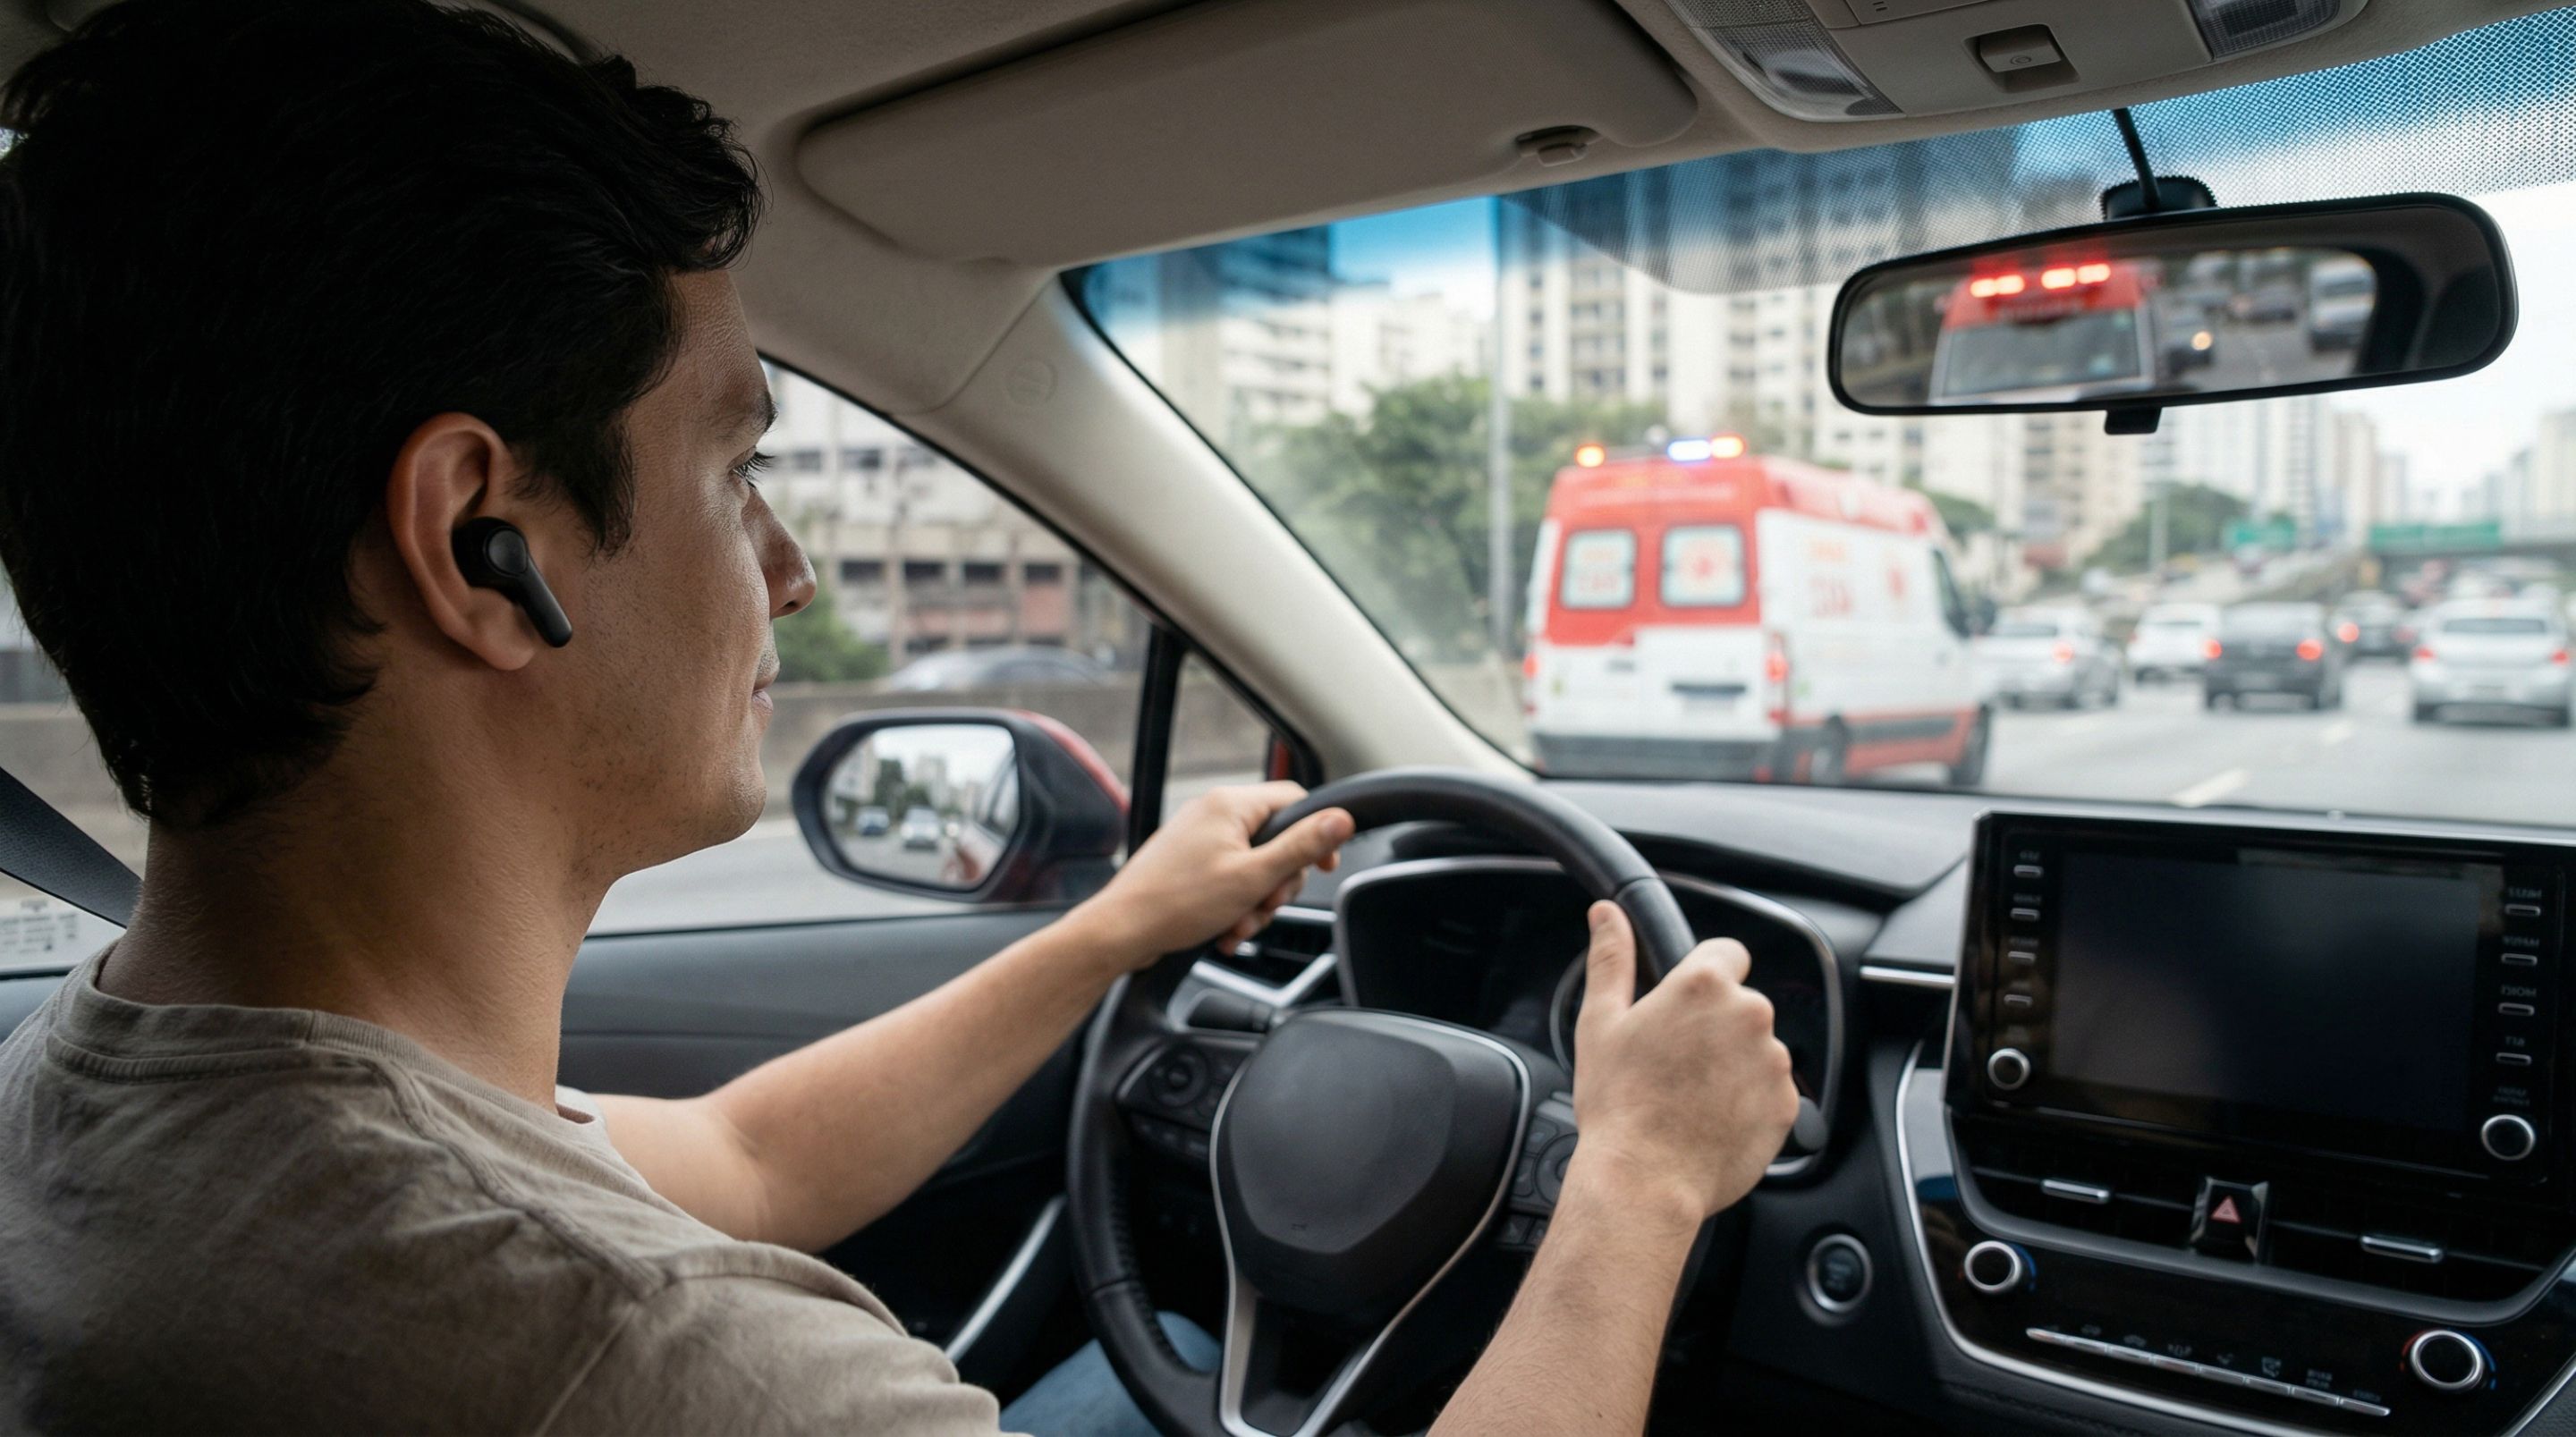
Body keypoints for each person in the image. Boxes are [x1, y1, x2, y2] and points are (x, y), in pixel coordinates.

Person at [0, 2, 1800, 1433]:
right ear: (485, 540)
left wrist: (1112, 930)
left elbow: (753, 1157)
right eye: (736, 473)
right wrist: (1635, 1183)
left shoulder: (105, 1095)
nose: (787, 577)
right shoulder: (642, 1359)